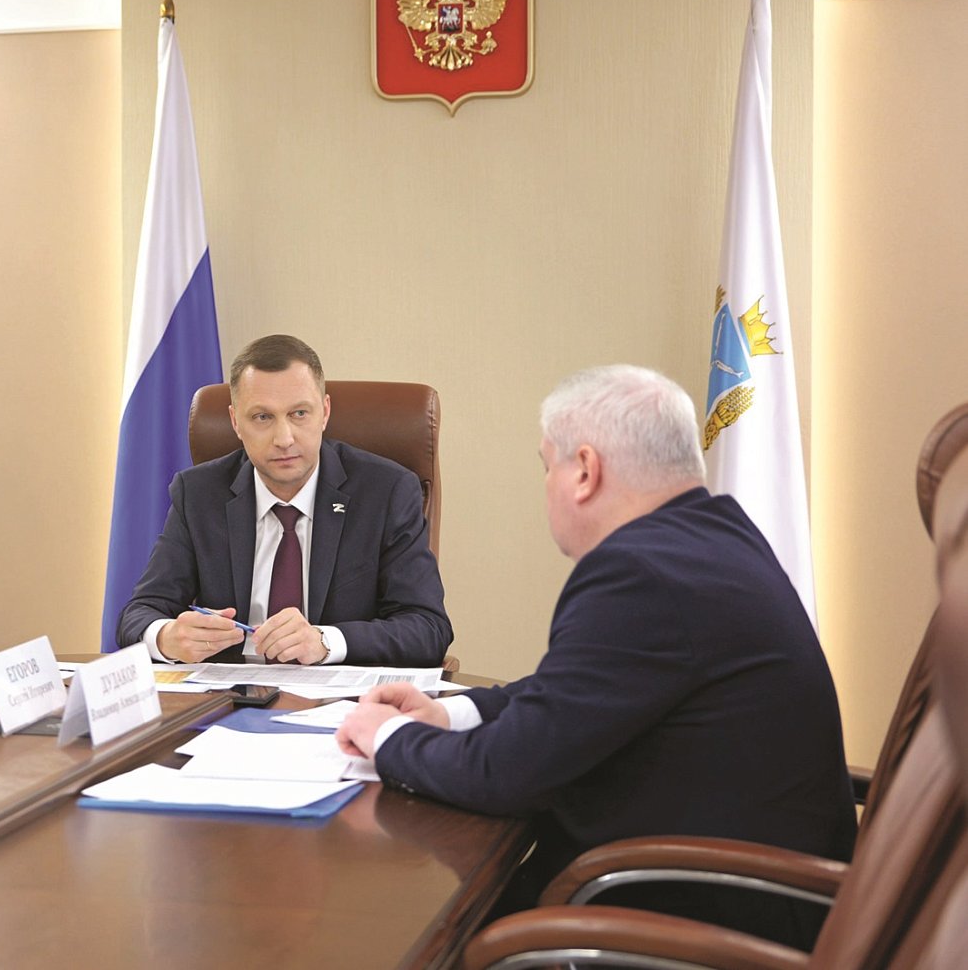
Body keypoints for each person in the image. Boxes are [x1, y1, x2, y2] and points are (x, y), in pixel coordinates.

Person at [337, 365, 856, 942]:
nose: (546, 487)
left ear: (585, 470)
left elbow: (504, 774)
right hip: (748, 894)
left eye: (546, 466)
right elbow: (570, 692)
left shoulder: (640, 573)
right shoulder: (714, 535)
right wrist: (451, 712)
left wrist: (387, 737)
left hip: (691, 926)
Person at [116, 334, 451, 667]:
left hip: (341, 696)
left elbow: (428, 628)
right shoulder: (199, 493)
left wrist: (326, 641)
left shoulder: (386, 492)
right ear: (235, 422)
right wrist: (166, 637)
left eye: (299, 413)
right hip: (230, 692)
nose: (284, 438)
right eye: (262, 417)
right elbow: (138, 613)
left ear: (325, 413)